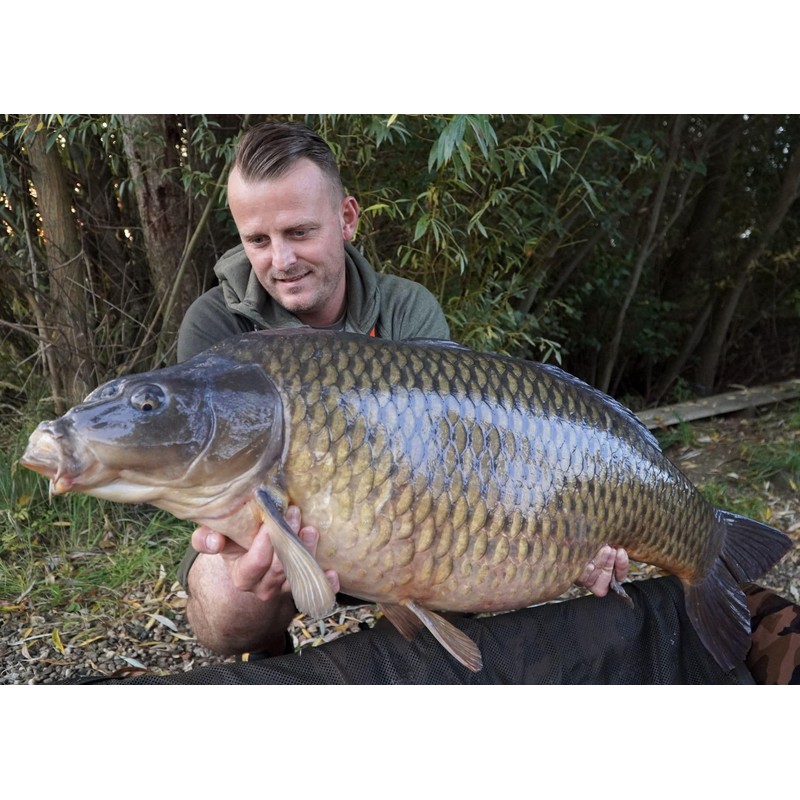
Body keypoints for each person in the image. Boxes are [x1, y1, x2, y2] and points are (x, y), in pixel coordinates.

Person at [175, 120, 630, 660]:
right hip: (279, 530)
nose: (282, 260)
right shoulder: (215, 325)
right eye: (258, 240)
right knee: (225, 607)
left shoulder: (407, 308)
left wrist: (564, 543)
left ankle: (407, 657)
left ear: (346, 219)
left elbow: (457, 465)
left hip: (409, 529)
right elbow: (210, 471)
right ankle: (272, 661)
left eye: (299, 232)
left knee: (478, 566)